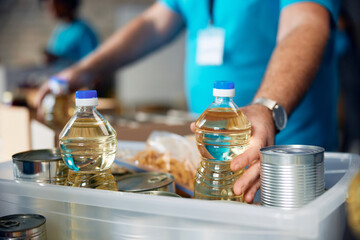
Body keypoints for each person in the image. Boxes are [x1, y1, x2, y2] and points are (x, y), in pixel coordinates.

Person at [35, 0, 340, 203]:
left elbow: (306, 22)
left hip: (289, 155)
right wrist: (85, 68)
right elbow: (154, 22)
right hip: (210, 160)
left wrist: (267, 106)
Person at [44, 0, 98, 66]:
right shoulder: (59, 29)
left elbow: (92, 63)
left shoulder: (83, 32)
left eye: (55, 3)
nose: (50, 7)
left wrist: (61, 60)